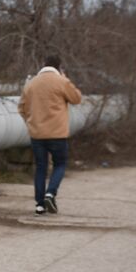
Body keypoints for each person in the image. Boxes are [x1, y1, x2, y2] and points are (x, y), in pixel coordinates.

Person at [17, 54, 83, 215]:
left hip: (37, 134)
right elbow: (76, 99)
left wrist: (31, 121)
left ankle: (39, 205)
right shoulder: (61, 82)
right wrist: (66, 79)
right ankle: (50, 193)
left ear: (43, 64)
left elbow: (21, 107)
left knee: (40, 167)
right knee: (60, 164)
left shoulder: (31, 84)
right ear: (59, 67)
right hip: (57, 133)